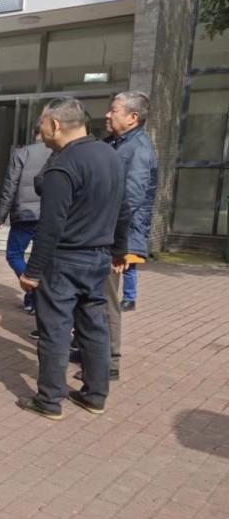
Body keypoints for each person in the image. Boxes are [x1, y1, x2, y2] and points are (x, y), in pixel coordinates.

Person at [15, 97, 128, 420]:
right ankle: (95, 395)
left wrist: (33, 271)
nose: (40, 131)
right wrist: (119, 250)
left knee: (55, 330)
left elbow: (50, 225)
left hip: (65, 260)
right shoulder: (111, 156)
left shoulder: (62, 165)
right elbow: (124, 208)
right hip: (99, 258)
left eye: (42, 124)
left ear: (55, 124)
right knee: (94, 327)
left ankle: (49, 400)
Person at [99, 91, 157, 377]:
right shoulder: (113, 142)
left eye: (114, 110)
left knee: (107, 299)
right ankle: (91, 349)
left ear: (133, 118)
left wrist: (117, 245)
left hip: (114, 238)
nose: (107, 115)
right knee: (93, 296)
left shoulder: (139, 150)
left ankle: (110, 361)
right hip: (102, 233)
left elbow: (129, 201)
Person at [0, 128, 51, 314]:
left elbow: (10, 186)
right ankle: (34, 298)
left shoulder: (22, 153)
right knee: (42, 257)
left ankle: (34, 290)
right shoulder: (58, 152)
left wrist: (1, 215)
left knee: (14, 255)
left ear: (34, 133)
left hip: (25, 214)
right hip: (49, 214)